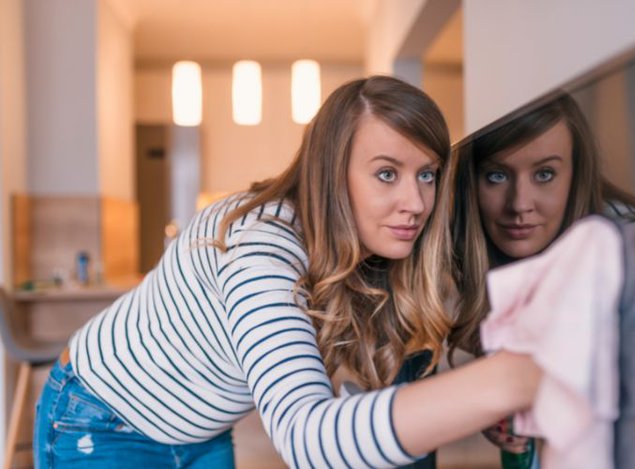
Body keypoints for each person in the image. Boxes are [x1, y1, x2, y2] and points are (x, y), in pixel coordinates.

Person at [33, 75, 542, 468]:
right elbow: (305, 437)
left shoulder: (361, 244)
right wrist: (499, 384)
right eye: (387, 173)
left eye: (426, 175)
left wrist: (484, 404)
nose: (416, 202)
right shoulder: (262, 249)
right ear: (330, 173)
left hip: (200, 427)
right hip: (99, 418)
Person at [449, 93, 635, 468]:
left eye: (545, 174)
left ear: (576, 175)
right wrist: (512, 414)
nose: (519, 203)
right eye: (497, 175)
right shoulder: (483, 254)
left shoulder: (628, 245)